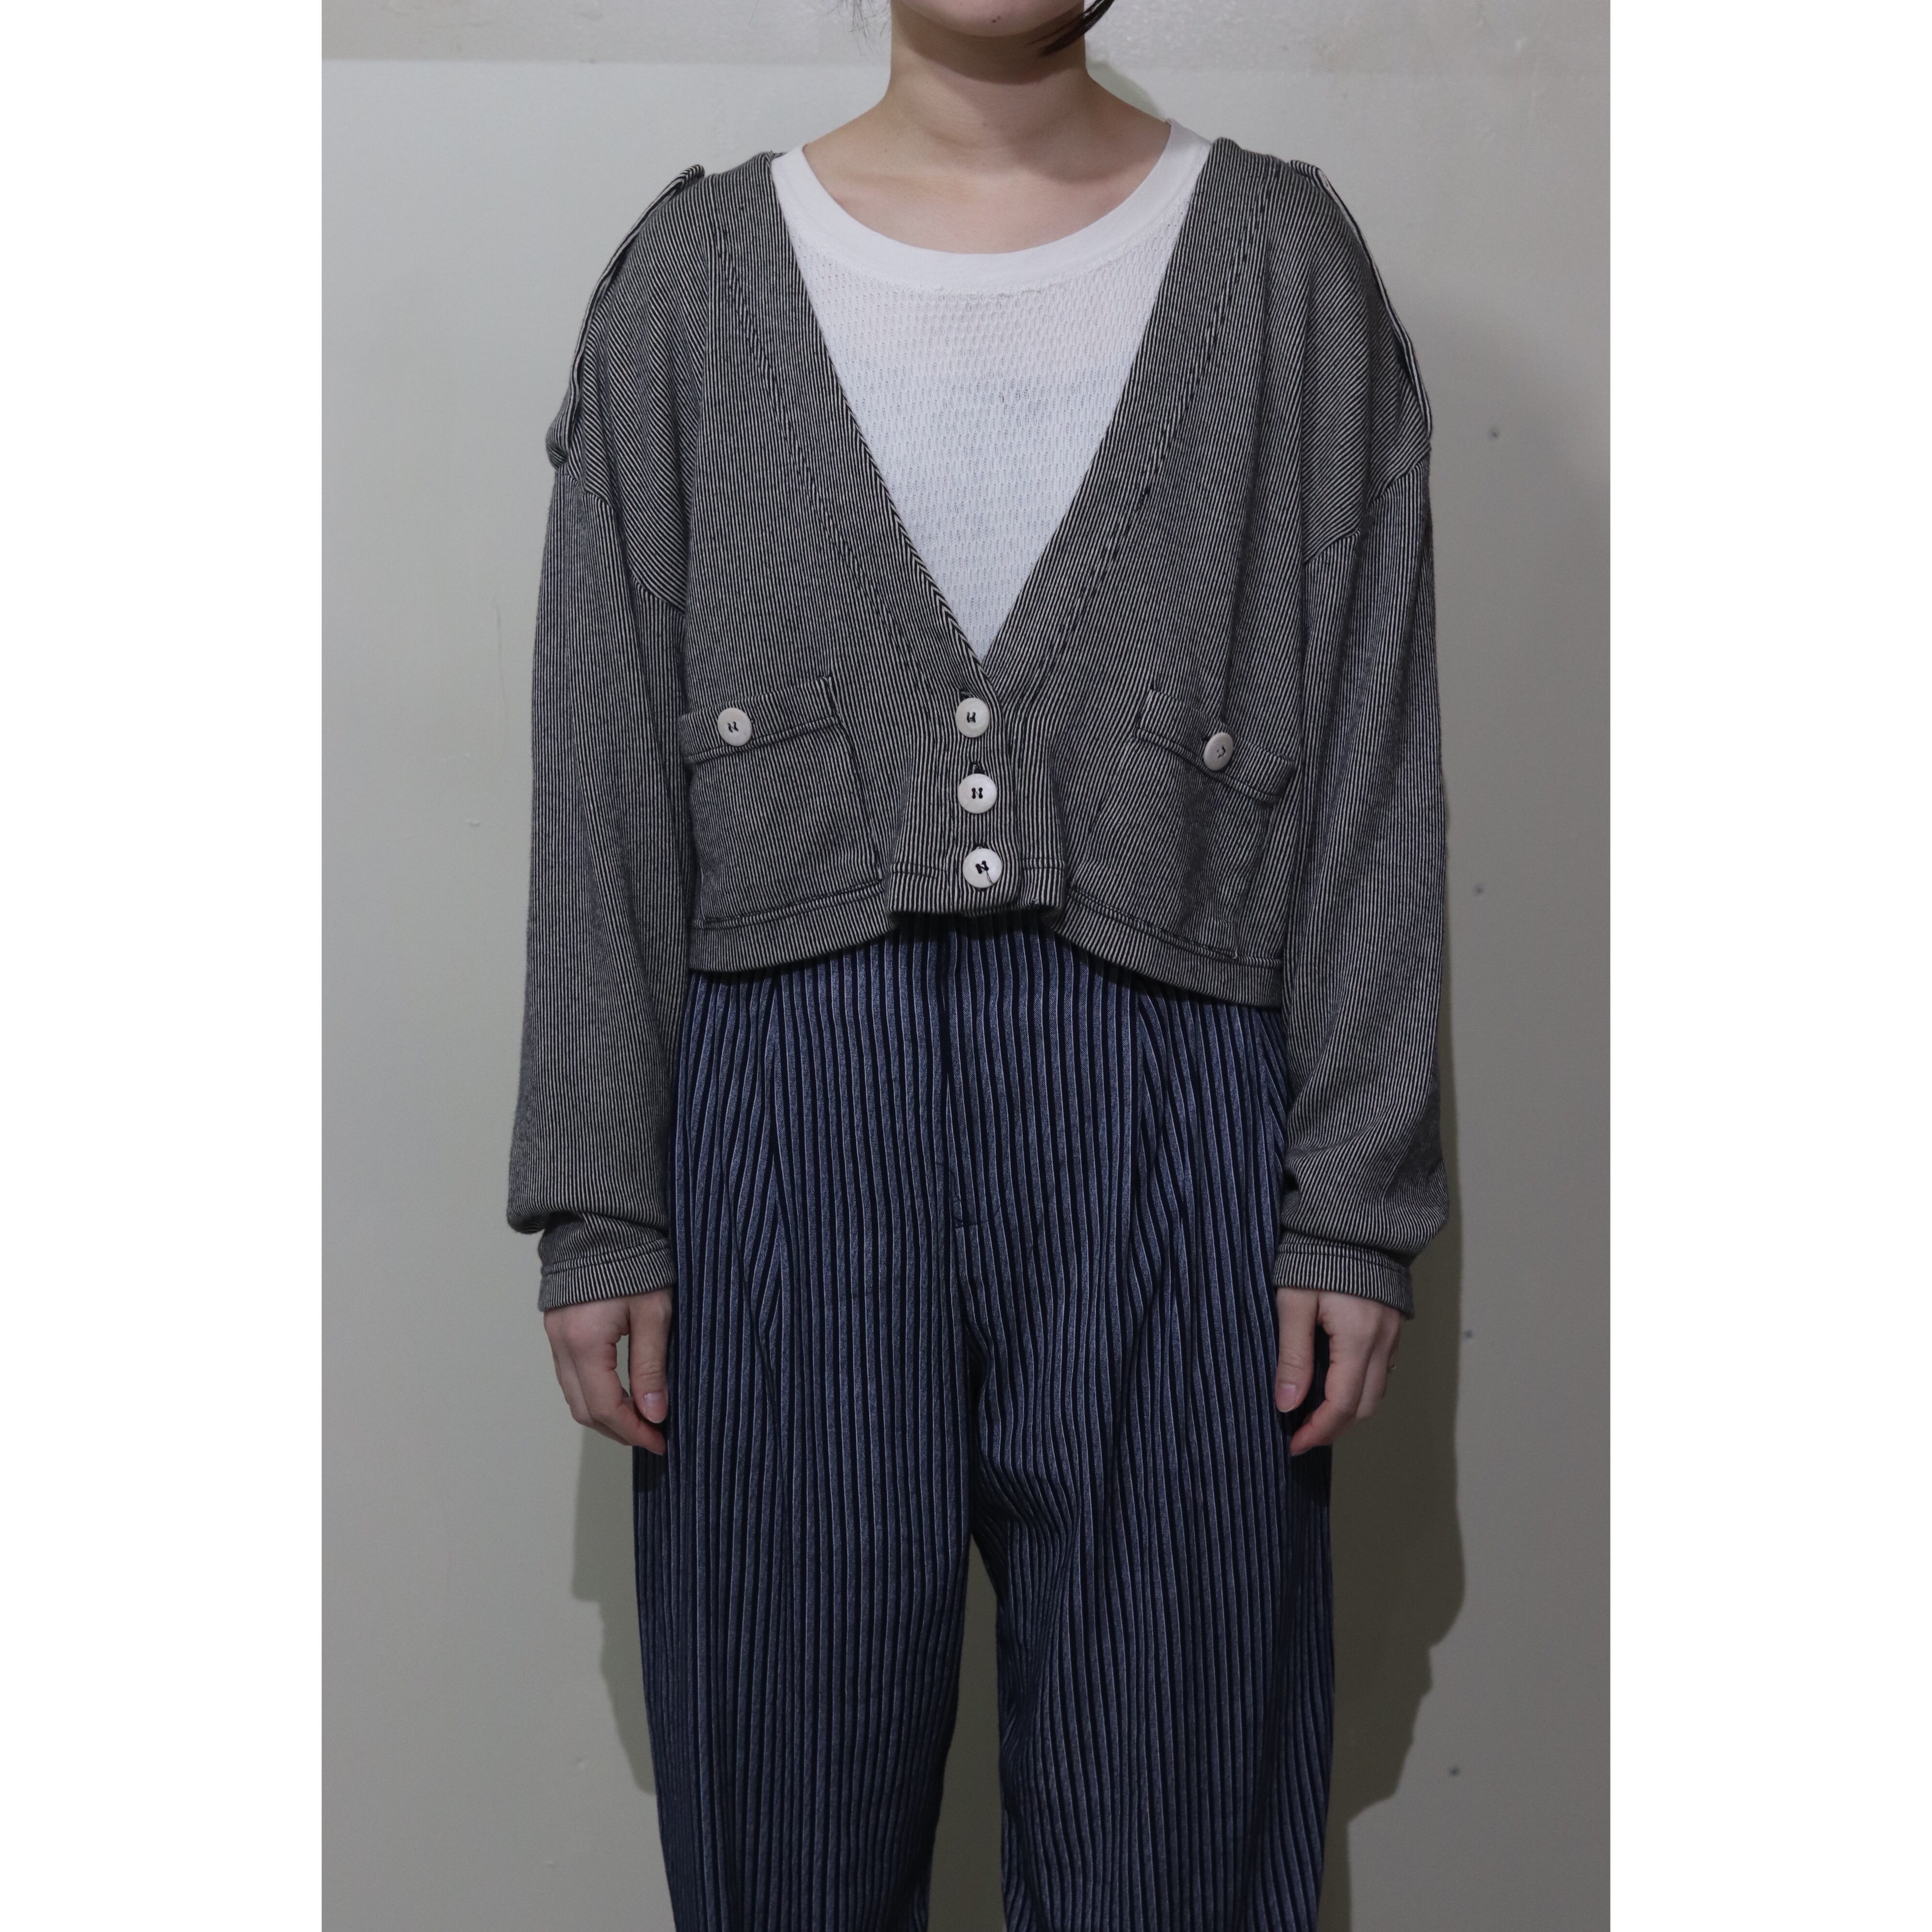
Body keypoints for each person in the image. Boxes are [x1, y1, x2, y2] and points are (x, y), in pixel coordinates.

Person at [507, 2, 1448, 1924]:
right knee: (785, 1835)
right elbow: (599, 757)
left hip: (1180, 1129)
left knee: (1171, 1840)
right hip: (784, 1123)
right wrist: (600, 1203)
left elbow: (1375, 748)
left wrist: (1355, 1200)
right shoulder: (691, 287)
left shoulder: (1285, 273)